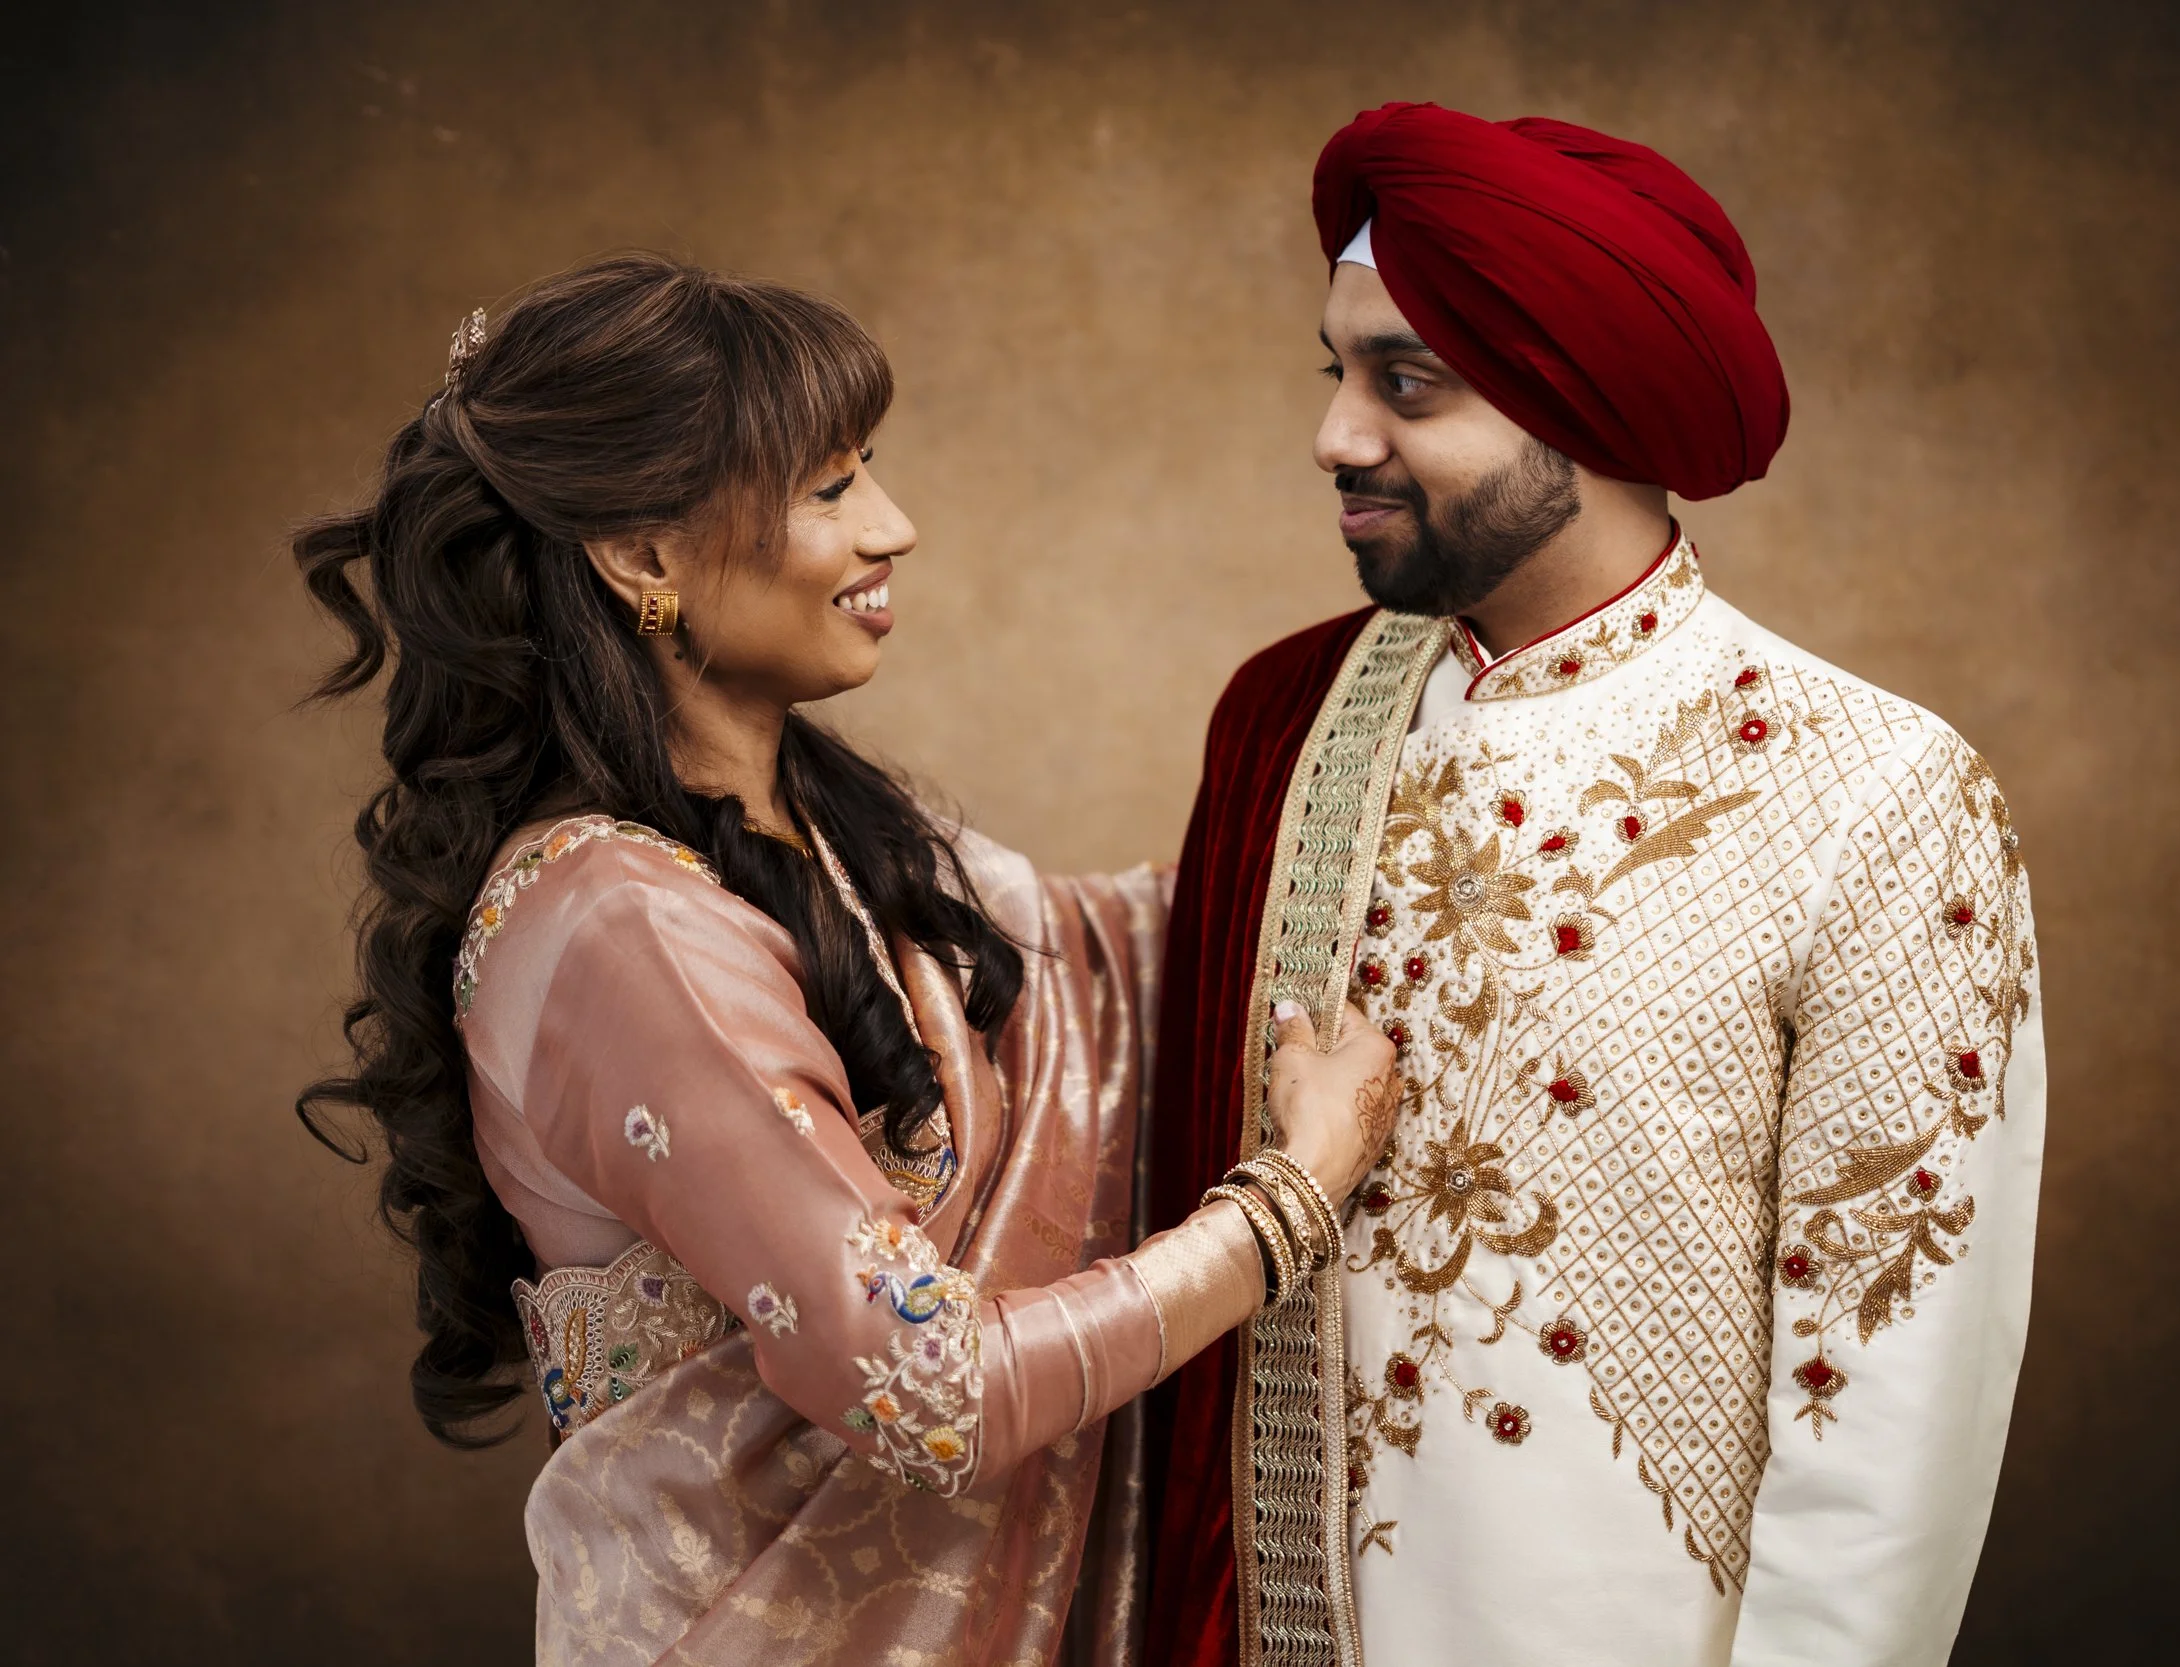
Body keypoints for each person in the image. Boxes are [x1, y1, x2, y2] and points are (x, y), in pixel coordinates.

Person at [294, 253, 1398, 1666]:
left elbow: (1109, 959)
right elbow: (929, 1387)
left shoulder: (826, 821)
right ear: (640, 555)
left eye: (869, 467)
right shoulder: (623, 927)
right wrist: (1289, 1201)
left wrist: (1404, 765)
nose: (896, 525)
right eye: (828, 489)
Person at [1142, 104, 2046, 1667]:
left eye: (1404, 383)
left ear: (1585, 403)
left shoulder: (1872, 790)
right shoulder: (1293, 718)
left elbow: (1891, 1411)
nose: (1337, 437)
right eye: (1335, 372)